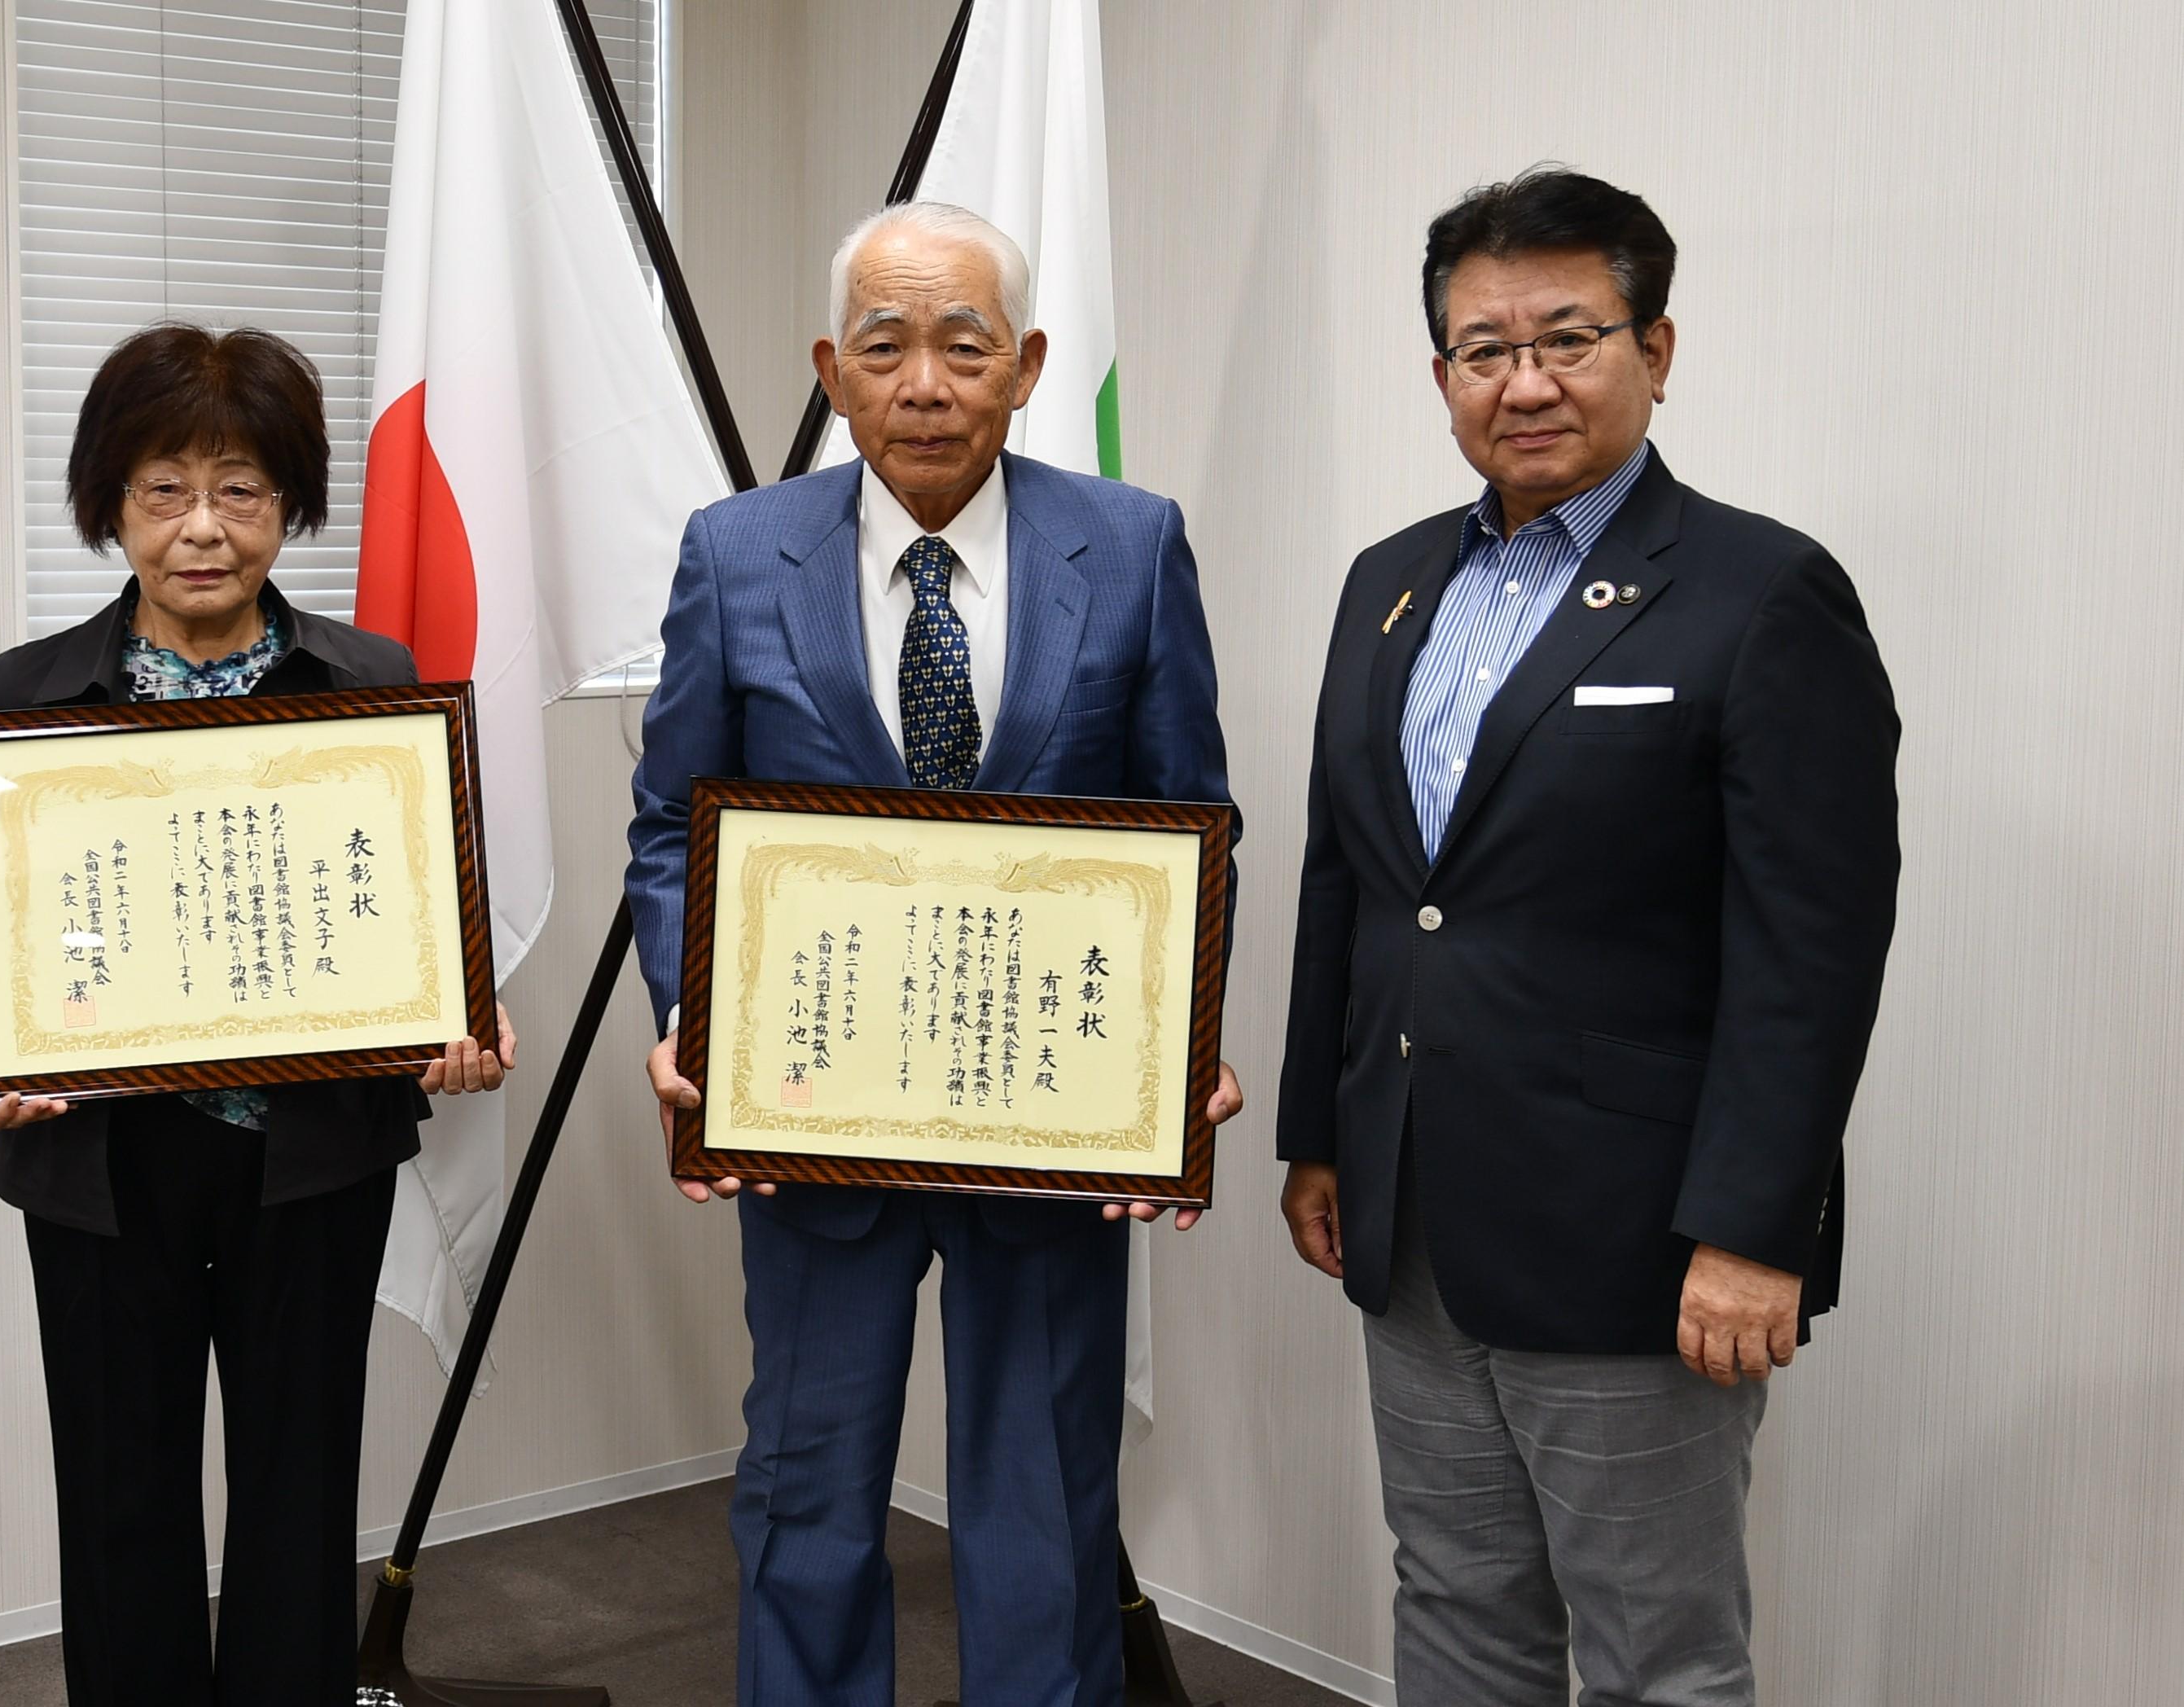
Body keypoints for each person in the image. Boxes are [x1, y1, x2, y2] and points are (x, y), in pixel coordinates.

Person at [1275, 169, 1898, 1706]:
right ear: (1441, 377)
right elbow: (1349, 882)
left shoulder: (1763, 596)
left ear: (1657, 348)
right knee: (1457, 1605)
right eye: (1483, 350)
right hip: (1412, 1216)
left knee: (1656, 1656)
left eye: (1570, 336)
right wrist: (1319, 1133)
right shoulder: (1390, 586)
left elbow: (1812, 946)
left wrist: (1757, 1228)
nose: (1527, 381)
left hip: (1640, 1241)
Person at [625, 202, 1242, 1705]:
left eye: (965, 347)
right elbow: (668, 825)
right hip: (815, 1121)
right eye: (886, 346)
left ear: (1025, 367)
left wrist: (1176, 1043)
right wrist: (699, 1024)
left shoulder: (1135, 541)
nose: (924, 384)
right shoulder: (734, 552)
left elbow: (1189, 820)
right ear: (833, 370)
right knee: (808, 1494)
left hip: (1045, 1123)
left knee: (1043, 1505)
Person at [0, 323, 515, 1705]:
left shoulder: (373, 684)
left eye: (241, 489)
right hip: (102, 1164)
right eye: (162, 490)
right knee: (120, 1499)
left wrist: (462, 1023)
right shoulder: (27, 690)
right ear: (110, 506)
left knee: (298, 1498)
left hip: (308, 1159)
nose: (203, 528)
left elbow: (428, 916)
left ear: (289, 502)